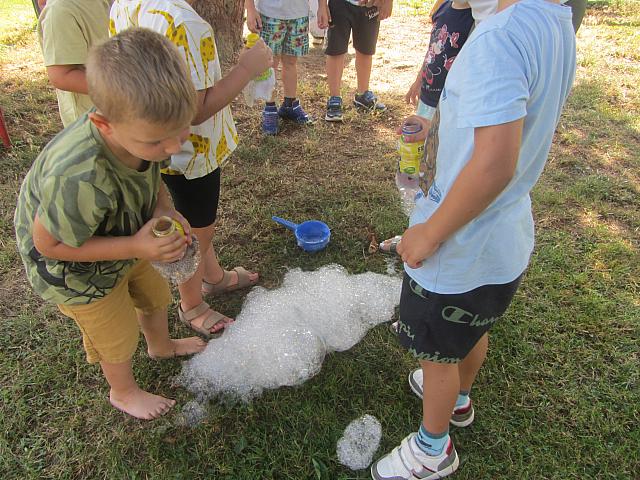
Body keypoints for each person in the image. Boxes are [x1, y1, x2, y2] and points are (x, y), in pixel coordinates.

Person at [370, 0, 576, 478]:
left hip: (458, 245)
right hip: (504, 238)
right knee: (472, 328)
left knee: (436, 353)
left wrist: (428, 233)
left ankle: (432, 448)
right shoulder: (552, 20)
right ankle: (460, 401)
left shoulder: (497, 39)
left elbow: (493, 164)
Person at [14, 28, 209, 420]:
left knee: (154, 294)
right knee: (116, 334)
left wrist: (163, 212)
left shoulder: (146, 131)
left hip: (128, 237)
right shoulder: (77, 175)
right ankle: (123, 390)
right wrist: (136, 247)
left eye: (180, 131)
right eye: (158, 143)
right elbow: (49, 244)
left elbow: (152, 181)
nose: (172, 148)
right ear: (104, 124)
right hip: (73, 267)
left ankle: (161, 344)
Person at [111, 0, 273, 338]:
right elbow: (196, 111)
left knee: (192, 217)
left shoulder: (125, 3)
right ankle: (192, 303)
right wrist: (246, 68)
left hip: (148, 137)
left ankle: (212, 277)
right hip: (189, 148)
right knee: (198, 230)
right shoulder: (182, 21)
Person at [245, 0, 315, 135]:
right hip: (270, 13)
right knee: (270, 64)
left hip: (298, 15)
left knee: (290, 62)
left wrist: (322, 6)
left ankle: (290, 104)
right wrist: (250, 9)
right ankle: (270, 108)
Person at [37, 0, 109, 127]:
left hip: (120, 112)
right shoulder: (60, 11)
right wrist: (122, 91)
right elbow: (61, 76)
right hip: (91, 122)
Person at [316, 0, 391, 122]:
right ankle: (334, 98)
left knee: (366, 50)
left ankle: (363, 95)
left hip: (370, 5)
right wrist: (322, 5)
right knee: (336, 50)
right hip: (339, 5)